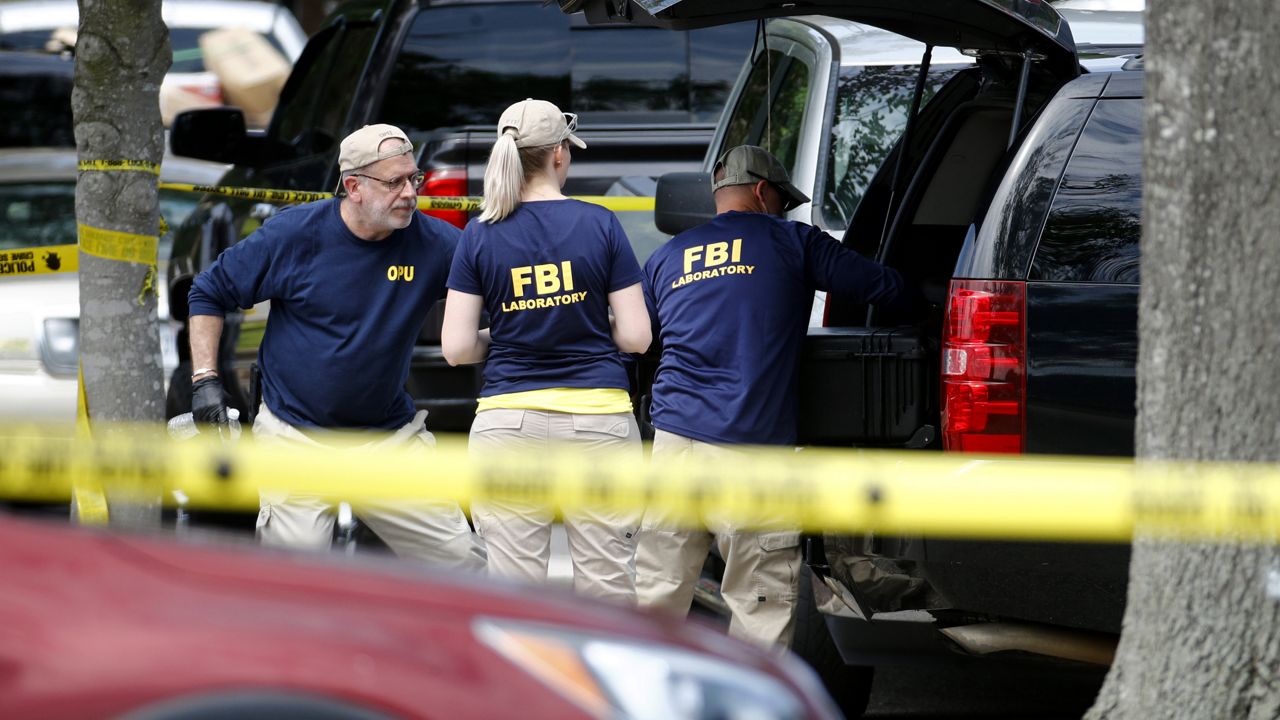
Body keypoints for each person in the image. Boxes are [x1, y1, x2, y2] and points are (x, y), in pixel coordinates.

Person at [634, 145, 913, 648]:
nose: (785, 209)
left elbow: (639, 344)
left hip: (673, 443)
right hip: (750, 451)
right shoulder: (792, 241)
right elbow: (885, 288)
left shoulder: (666, 257)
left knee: (658, 597)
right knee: (758, 605)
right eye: (783, 200)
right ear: (764, 192)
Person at [187, 123, 485, 572]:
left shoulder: (436, 243)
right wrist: (205, 382)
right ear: (354, 187)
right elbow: (208, 293)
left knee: (465, 563)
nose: (409, 193)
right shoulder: (293, 235)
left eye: (414, 178)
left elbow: (502, 290)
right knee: (293, 582)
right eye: (394, 182)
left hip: (389, 436)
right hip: (294, 435)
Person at [441, 98, 651, 604]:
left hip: (507, 423)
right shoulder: (600, 223)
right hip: (597, 421)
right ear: (559, 154)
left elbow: (456, 348)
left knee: (515, 598)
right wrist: (591, 325)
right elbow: (637, 338)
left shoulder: (479, 234)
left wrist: (507, 334)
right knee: (608, 589)